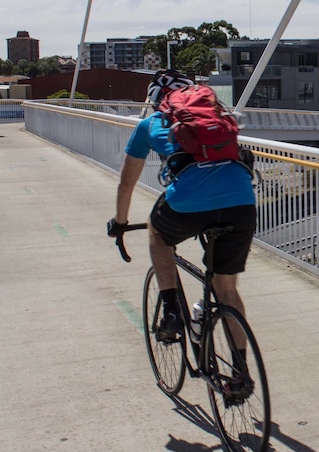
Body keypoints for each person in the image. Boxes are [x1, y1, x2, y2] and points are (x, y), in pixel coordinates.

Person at [107, 70, 256, 342]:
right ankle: (240, 376)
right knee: (226, 288)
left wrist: (120, 223)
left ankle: (172, 311)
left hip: (189, 202)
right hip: (241, 201)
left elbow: (126, 184)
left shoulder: (150, 124)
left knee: (157, 232)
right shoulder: (216, 117)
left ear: (155, 101)